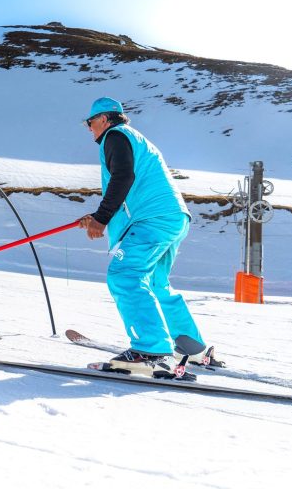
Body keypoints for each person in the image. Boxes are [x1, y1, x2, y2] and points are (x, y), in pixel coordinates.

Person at [78, 96, 211, 379]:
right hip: (173, 218)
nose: (89, 129)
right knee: (155, 282)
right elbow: (132, 187)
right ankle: (191, 347)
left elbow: (122, 178)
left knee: (125, 275)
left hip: (152, 220)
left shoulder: (115, 136)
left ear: (103, 119)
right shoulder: (135, 139)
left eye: (90, 123)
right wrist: (99, 216)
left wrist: (101, 218)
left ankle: (149, 351)